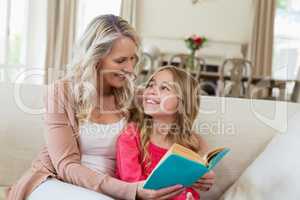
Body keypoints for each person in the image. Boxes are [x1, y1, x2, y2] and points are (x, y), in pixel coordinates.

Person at [5, 15, 188, 200]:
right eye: (120, 61)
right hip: (55, 181)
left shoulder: (135, 96)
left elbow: (175, 122)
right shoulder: (61, 93)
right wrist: (130, 190)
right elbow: (67, 166)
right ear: (96, 59)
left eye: (133, 59)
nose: (131, 69)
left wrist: (195, 173)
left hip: (111, 190)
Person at [116, 66, 215, 200]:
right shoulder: (132, 134)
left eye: (164, 88)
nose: (151, 91)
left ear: (182, 102)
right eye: (150, 85)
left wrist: (206, 180)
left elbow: (202, 182)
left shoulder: (193, 142)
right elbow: (131, 182)